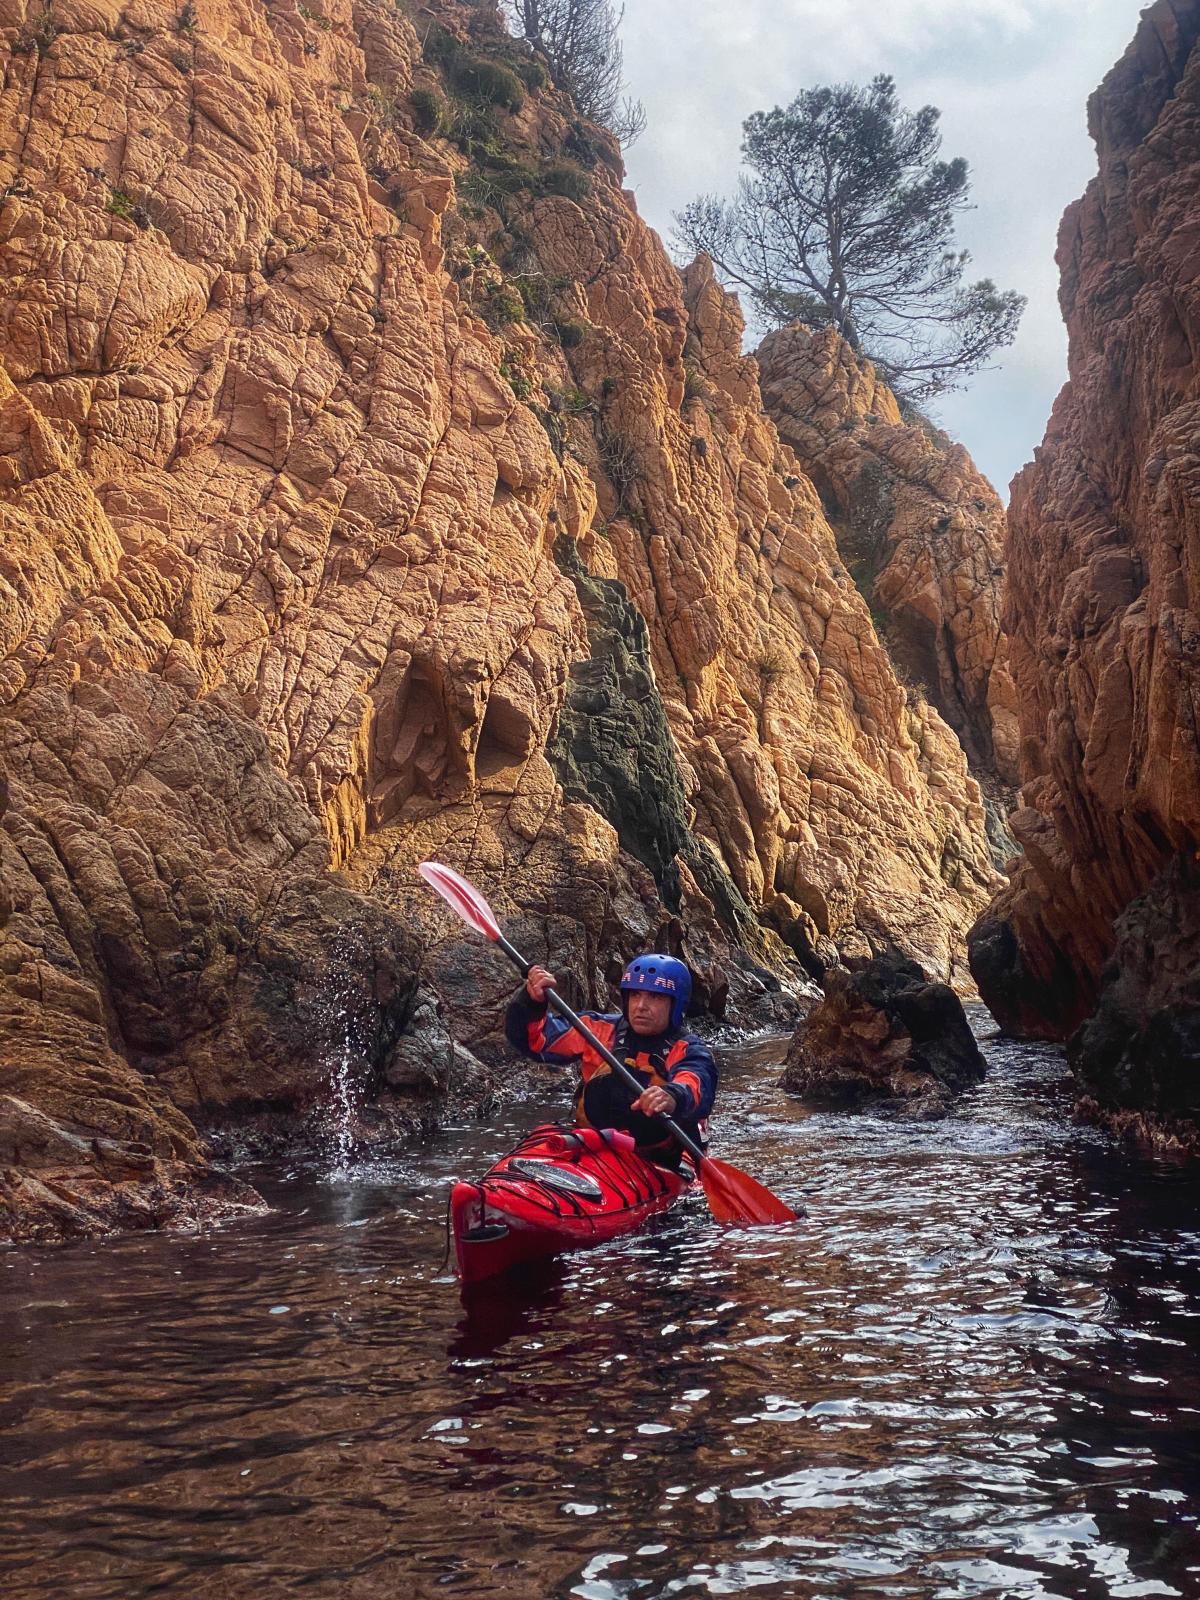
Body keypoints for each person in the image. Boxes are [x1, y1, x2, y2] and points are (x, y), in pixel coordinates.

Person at [504, 954, 718, 1168]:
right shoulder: (597, 1030)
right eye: (635, 994)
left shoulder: (689, 1050)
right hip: (595, 1140)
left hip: (656, 1152)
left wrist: (672, 1096)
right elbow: (535, 1041)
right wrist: (531, 1001)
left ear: (676, 1004)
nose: (641, 1006)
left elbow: (695, 1080)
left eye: (655, 997)